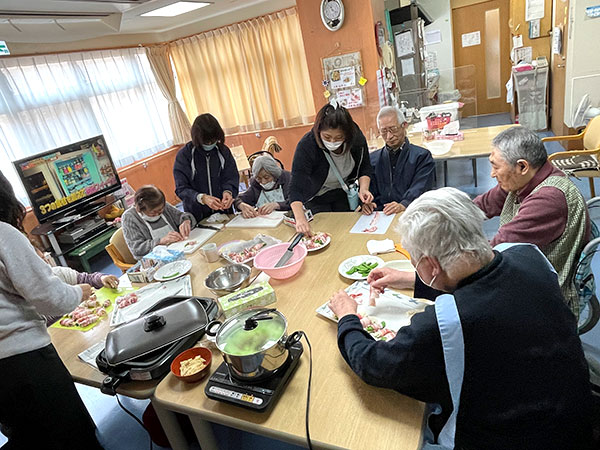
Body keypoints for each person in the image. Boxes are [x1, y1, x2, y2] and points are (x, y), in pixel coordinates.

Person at [328, 187, 594, 450]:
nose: (414, 267)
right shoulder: (528, 255)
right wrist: (410, 280)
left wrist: (347, 316)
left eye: (414, 262)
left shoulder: (446, 322)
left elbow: (373, 364)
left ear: (432, 265)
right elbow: (481, 282)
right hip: (577, 420)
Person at [0, 171, 104, 449]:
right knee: (70, 433)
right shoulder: (4, 234)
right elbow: (47, 297)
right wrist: (77, 294)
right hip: (24, 361)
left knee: (27, 436)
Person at [474, 126, 589, 316]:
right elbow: (483, 204)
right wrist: (447, 216)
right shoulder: (522, 179)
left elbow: (497, 250)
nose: (492, 174)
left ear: (522, 166)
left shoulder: (549, 199)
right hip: (528, 267)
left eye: (495, 166)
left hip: (547, 289)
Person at [289, 104, 373, 234]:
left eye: (339, 137)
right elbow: (296, 186)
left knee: (347, 231)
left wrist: (364, 189)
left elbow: (365, 166)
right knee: (323, 232)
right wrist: (300, 219)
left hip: (342, 193)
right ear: (318, 132)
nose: (333, 142)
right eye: (327, 137)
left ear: (347, 134)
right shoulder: (308, 145)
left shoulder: (356, 138)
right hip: (317, 196)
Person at [365, 106, 435, 215]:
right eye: (383, 131)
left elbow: (421, 187)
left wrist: (404, 204)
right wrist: (368, 203)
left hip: (411, 212)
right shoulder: (373, 159)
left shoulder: (422, 157)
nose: (389, 136)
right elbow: (369, 190)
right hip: (381, 215)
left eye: (393, 129)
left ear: (404, 126)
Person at [173, 113, 239, 221]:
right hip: (196, 214)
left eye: (213, 141)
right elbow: (181, 188)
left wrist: (228, 192)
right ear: (197, 138)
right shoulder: (185, 155)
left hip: (223, 211)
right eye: (206, 142)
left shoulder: (223, 151)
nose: (209, 144)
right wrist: (201, 198)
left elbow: (231, 176)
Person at [122, 185, 195, 260]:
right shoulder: (129, 217)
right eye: (153, 213)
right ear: (139, 209)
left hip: (179, 250)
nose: (158, 214)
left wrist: (186, 221)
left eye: (161, 210)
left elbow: (182, 216)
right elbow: (136, 249)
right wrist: (160, 241)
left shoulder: (162, 205)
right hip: (154, 261)